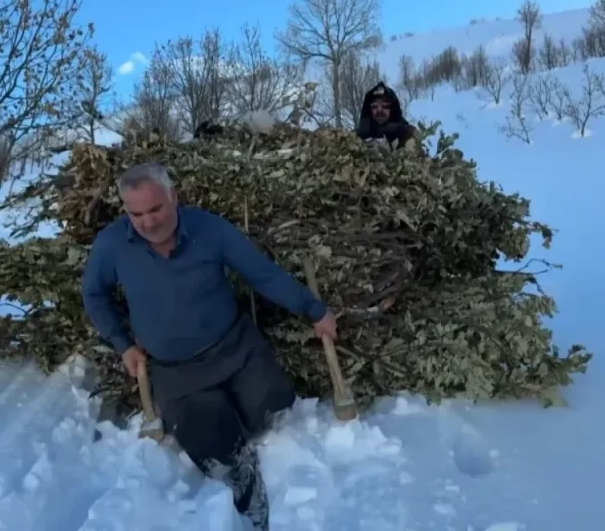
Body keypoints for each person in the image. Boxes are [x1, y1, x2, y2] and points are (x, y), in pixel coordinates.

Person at [80, 162, 338, 530]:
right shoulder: (112, 245)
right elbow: (94, 294)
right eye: (136, 214)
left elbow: (261, 273)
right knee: (216, 448)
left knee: (271, 414)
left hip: (236, 349)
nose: (148, 222)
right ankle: (250, 510)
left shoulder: (209, 229)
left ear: (174, 197)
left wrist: (314, 310)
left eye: (155, 209)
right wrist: (123, 345)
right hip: (176, 371)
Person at [355, 81, 420, 148]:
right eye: (374, 106)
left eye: (385, 106)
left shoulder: (407, 134)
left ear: (393, 109)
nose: (379, 110)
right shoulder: (356, 138)